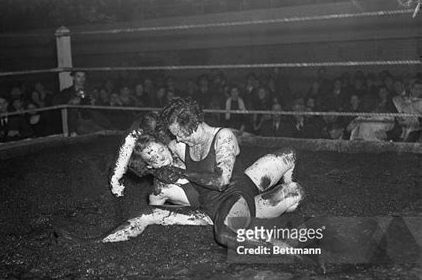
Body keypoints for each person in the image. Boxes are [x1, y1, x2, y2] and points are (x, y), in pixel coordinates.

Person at [107, 100, 304, 250]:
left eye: (180, 134)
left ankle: (280, 247)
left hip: (235, 195)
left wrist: (182, 172)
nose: (177, 139)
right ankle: (99, 241)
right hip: (213, 205)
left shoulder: (223, 136)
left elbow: (221, 181)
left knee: (225, 234)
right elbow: (140, 130)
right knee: (145, 214)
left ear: (193, 125)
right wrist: (116, 176)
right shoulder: (181, 144)